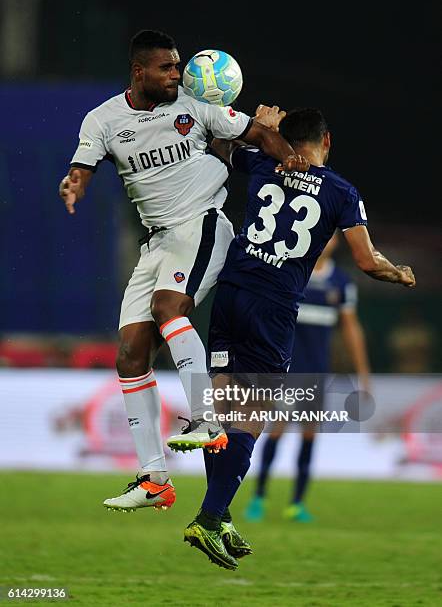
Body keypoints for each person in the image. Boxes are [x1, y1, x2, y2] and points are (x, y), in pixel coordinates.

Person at [58, 30, 308, 514]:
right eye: (168, 68)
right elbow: (84, 162)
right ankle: (153, 478)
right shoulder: (104, 120)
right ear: (139, 72)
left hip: (201, 224)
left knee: (168, 307)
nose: (178, 74)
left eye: (178, 66)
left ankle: (205, 416)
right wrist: (75, 182)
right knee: (130, 355)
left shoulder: (196, 107)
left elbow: (260, 134)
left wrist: (291, 159)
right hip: (157, 243)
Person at [182, 106, 415, 570]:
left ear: (285, 138)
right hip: (272, 305)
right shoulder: (342, 192)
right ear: (326, 141)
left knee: (225, 410)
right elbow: (367, 262)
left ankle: (219, 512)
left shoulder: (264, 162)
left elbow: (220, 147)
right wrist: (399, 273)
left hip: (230, 291)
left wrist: (261, 130)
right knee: (253, 415)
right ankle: (209, 518)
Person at [244, 232, 371, 523]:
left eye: (331, 237)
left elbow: (351, 330)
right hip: (285, 374)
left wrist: (363, 372)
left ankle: (297, 504)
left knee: (310, 433)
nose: (325, 242)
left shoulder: (341, 283)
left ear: (336, 243)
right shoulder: (290, 273)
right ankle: (259, 497)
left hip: (317, 373)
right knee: (276, 430)